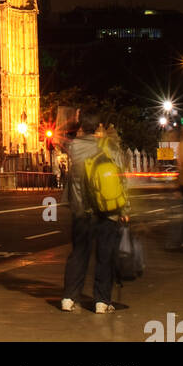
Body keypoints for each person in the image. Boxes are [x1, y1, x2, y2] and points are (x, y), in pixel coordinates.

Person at [61, 108, 129, 314]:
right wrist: (125, 209)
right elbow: (121, 179)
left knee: (79, 254)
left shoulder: (74, 147)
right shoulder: (110, 147)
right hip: (107, 212)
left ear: (82, 127)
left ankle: (69, 298)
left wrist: (71, 120)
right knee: (105, 255)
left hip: (82, 212)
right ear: (99, 127)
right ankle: (101, 301)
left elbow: (59, 137)